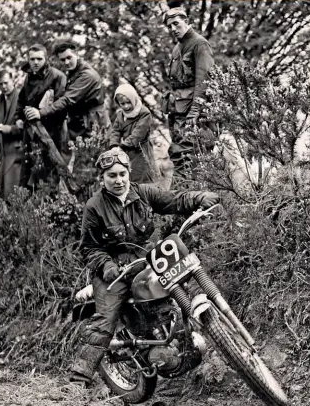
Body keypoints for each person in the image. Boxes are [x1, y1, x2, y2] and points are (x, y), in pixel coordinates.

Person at [70, 147, 219, 385]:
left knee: (180, 281)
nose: (118, 180)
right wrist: (106, 264)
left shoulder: (143, 193)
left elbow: (174, 200)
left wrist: (199, 198)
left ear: (129, 173)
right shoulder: (94, 206)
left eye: (122, 174)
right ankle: (78, 380)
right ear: (103, 178)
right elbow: (89, 248)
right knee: (105, 320)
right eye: (112, 176)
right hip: (113, 273)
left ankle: (193, 332)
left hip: (144, 260)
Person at [25, 40, 110, 144]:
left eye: (69, 57)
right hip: (82, 123)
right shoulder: (73, 72)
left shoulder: (86, 75)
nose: (66, 62)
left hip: (94, 124)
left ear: (77, 54)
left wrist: (40, 112)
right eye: (62, 59)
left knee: (94, 156)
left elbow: (67, 99)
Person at [163, 6, 214, 174]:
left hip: (194, 115)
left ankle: (185, 196)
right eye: (169, 26)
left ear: (187, 21)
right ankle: (177, 197)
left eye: (176, 24)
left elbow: (204, 80)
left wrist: (195, 112)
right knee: (177, 155)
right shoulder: (177, 49)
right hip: (178, 113)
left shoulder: (199, 44)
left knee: (191, 157)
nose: (173, 29)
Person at [15, 44, 67, 187]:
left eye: (39, 59)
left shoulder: (58, 77)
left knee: (49, 172)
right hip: (30, 132)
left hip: (50, 132)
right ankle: (25, 206)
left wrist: (41, 114)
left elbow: (62, 106)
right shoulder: (28, 77)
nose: (36, 62)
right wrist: (18, 118)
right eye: (32, 59)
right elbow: (21, 100)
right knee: (27, 169)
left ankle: (51, 205)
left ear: (46, 58)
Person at [109, 83, 155, 184]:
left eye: (128, 102)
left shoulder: (144, 113)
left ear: (133, 99)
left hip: (141, 150)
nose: (126, 106)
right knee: (129, 176)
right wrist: (114, 145)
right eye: (122, 104)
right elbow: (115, 130)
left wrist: (122, 146)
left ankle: (146, 197)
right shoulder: (121, 115)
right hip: (127, 151)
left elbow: (138, 134)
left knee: (143, 177)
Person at [0, 69, 23, 200]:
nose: (3, 87)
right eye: (0, 84)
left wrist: (10, 129)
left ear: (13, 81)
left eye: (6, 83)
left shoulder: (22, 97)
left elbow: (27, 126)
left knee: (14, 192)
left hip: (18, 152)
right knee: (2, 193)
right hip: (4, 152)